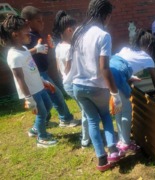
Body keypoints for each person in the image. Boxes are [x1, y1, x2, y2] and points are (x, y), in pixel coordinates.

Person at [68, 0, 124, 171]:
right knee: (106, 116)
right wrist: (115, 94)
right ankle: (113, 150)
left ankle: (101, 160)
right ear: (106, 15)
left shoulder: (78, 32)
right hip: (97, 87)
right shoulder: (103, 35)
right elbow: (104, 68)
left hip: (78, 86)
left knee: (92, 120)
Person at [0, 15, 57, 147]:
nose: (29, 33)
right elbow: (19, 78)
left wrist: (43, 81)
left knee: (48, 106)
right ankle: (42, 138)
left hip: (39, 86)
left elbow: (29, 63)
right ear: (15, 35)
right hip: (31, 91)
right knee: (42, 112)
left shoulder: (23, 49)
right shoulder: (13, 56)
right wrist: (28, 98)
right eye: (26, 31)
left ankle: (35, 129)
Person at [20, 6, 80, 132]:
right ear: (27, 22)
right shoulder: (27, 37)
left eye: (42, 20)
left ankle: (44, 121)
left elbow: (41, 52)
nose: (42, 23)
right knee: (55, 94)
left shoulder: (36, 35)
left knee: (46, 101)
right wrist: (36, 49)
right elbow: (22, 55)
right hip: (37, 73)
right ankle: (65, 119)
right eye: (38, 21)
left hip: (42, 71)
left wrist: (49, 47)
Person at [110, 29, 155, 153]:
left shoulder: (126, 49)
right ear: (149, 45)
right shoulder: (147, 58)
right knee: (126, 110)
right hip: (118, 77)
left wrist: (130, 77)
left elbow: (119, 64)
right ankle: (125, 143)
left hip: (107, 74)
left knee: (119, 109)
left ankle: (121, 138)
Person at [52, 10, 90, 148]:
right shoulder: (70, 48)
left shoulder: (58, 46)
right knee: (86, 111)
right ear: (69, 30)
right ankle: (86, 138)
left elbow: (59, 68)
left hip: (66, 83)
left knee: (86, 110)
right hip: (73, 83)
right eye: (75, 30)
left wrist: (65, 76)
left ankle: (87, 135)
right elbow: (68, 68)